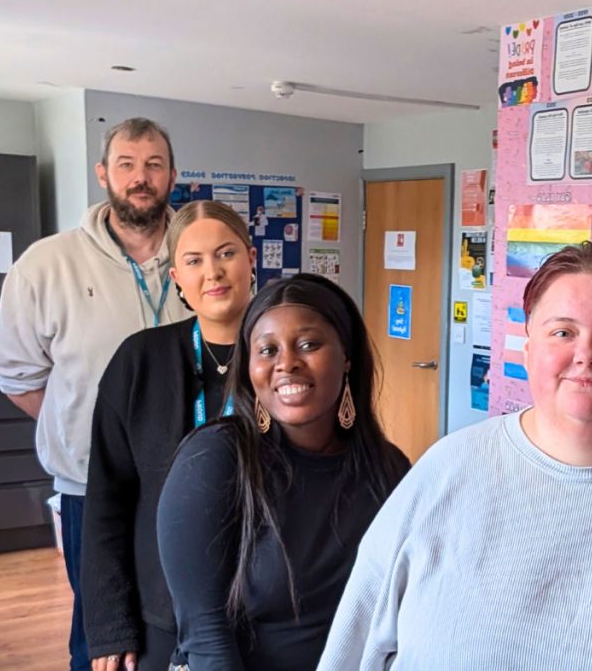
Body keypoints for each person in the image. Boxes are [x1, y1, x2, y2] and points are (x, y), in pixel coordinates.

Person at [318, 241, 592, 670]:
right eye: (563, 332)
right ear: (528, 349)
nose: (586, 355)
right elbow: (354, 644)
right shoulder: (446, 470)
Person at [0, 117, 190, 671]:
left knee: (185, 624)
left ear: (172, 175)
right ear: (103, 173)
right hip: (89, 487)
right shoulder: (45, 265)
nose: (140, 177)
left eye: (153, 164)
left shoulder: (199, 256)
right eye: (126, 164)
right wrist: (86, 427)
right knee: (101, 634)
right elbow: (19, 378)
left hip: (190, 481)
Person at [156, 274, 410, 670]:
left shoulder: (387, 469)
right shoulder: (215, 459)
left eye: (308, 344)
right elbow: (205, 634)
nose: (286, 363)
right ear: (250, 368)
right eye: (267, 350)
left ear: (346, 357)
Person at [81, 201, 257, 671]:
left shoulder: (282, 361)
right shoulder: (138, 362)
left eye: (226, 254)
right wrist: (109, 625)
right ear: (177, 277)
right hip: (161, 618)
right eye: (195, 261)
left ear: (251, 259)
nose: (213, 272)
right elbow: (106, 501)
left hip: (268, 614)